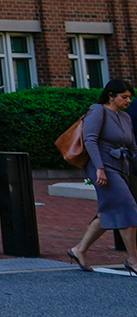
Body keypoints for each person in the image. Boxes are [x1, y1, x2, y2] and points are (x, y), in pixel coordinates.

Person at [67, 78, 135, 271]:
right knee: (128, 207)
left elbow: (132, 145)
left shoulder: (125, 117)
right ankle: (133, 260)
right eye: (124, 97)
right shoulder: (98, 111)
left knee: (108, 211)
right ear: (111, 96)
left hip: (121, 166)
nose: (128, 101)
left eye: (129, 97)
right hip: (103, 166)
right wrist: (99, 168)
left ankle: (79, 249)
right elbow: (90, 140)